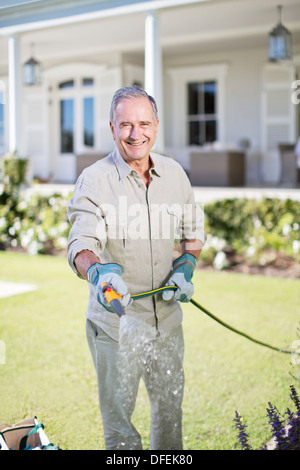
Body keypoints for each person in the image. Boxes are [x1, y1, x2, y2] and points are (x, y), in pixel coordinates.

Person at [67, 86, 205, 450]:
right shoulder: (95, 180)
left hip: (168, 324)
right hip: (116, 328)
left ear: (156, 126)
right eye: (125, 124)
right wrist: (98, 273)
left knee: (169, 412)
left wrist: (187, 265)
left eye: (143, 123)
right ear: (112, 128)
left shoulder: (175, 175)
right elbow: (81, 243)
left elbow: (194, 231)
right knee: (122, 432)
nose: (135, 134)